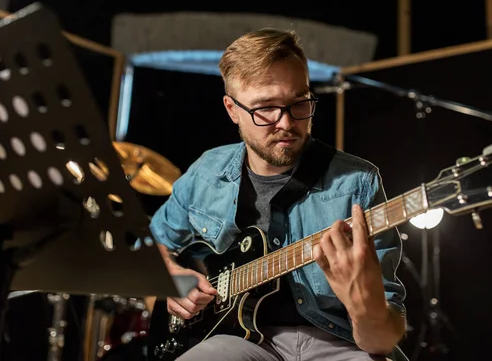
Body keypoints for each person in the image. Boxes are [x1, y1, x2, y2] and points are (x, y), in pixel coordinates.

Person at [149, 28, 408, 361]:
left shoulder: (357, 182)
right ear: (232, 109)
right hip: (241, 342)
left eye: (299, 102)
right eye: (266, 108)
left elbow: (382, 341)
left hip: (341, 343)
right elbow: (152, 241)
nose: (286, 123)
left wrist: (365, 305)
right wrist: (173, 277)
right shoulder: (207, 171)